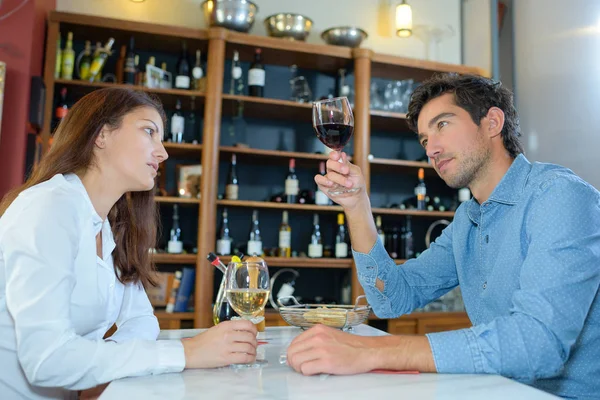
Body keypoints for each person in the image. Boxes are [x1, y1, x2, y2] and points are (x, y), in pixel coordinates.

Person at [287, 73, 600, 399]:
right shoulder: (468, 218)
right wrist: (356, 206)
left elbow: (538, 343)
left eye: (443, 125)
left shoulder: (559, 196)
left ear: (492, 122)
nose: (431, 149)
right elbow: (392, 298)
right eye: (424, 139)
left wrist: (373, 351)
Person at [0, 88, 258, 400]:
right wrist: (184, 353)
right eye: (149, 131)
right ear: (100, 135)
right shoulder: (47, 208)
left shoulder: (109, 226)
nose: (163, 153)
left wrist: (97, 364)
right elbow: (45, 361)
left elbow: (141, 320)